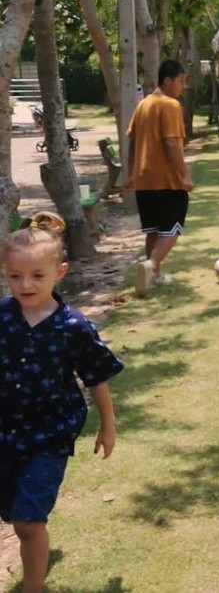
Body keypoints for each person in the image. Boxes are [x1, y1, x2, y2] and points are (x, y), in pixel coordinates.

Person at [0, 212, 123, 593]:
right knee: (13, 512)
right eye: (15, 276)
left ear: (60, 272)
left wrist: (107, 425)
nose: (25, 284)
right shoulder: (1, 317)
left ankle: (32, 587)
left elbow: (96, 376)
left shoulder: (73, 327)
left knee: (28, 520)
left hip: (50, 433)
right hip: (5, 430)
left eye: (37, 275)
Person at [126, 59, 193, 296]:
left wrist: (131, 173)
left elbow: (133, 143)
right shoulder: (170, 105)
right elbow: (172, 142)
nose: (183, 87)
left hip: (144, 180)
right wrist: (184, 175)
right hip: (167, 179)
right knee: (172, 227)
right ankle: (151, 264)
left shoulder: (143, 105)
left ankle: (153, 276)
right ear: (167, 80)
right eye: (181, 81)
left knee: (153, 229)